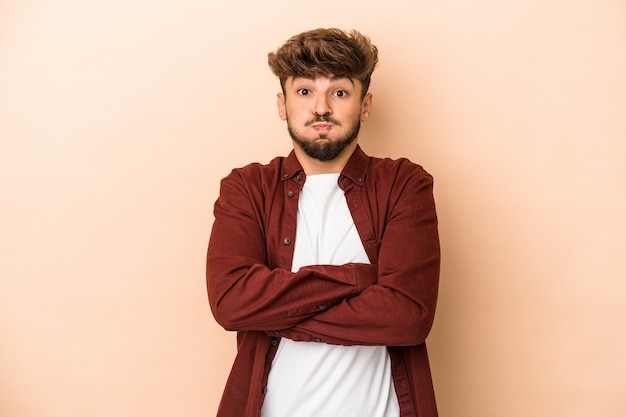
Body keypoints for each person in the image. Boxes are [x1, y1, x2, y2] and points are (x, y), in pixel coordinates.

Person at [206, 28, 440, 417]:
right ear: (282, 105)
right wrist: (358, 279)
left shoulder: (403, 184)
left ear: (365, 106)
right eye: (304, 92)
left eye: (339, 92)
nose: (321, 108)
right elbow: (231, 303)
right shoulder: (247, 188)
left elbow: (407, 316)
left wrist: (276, 315)